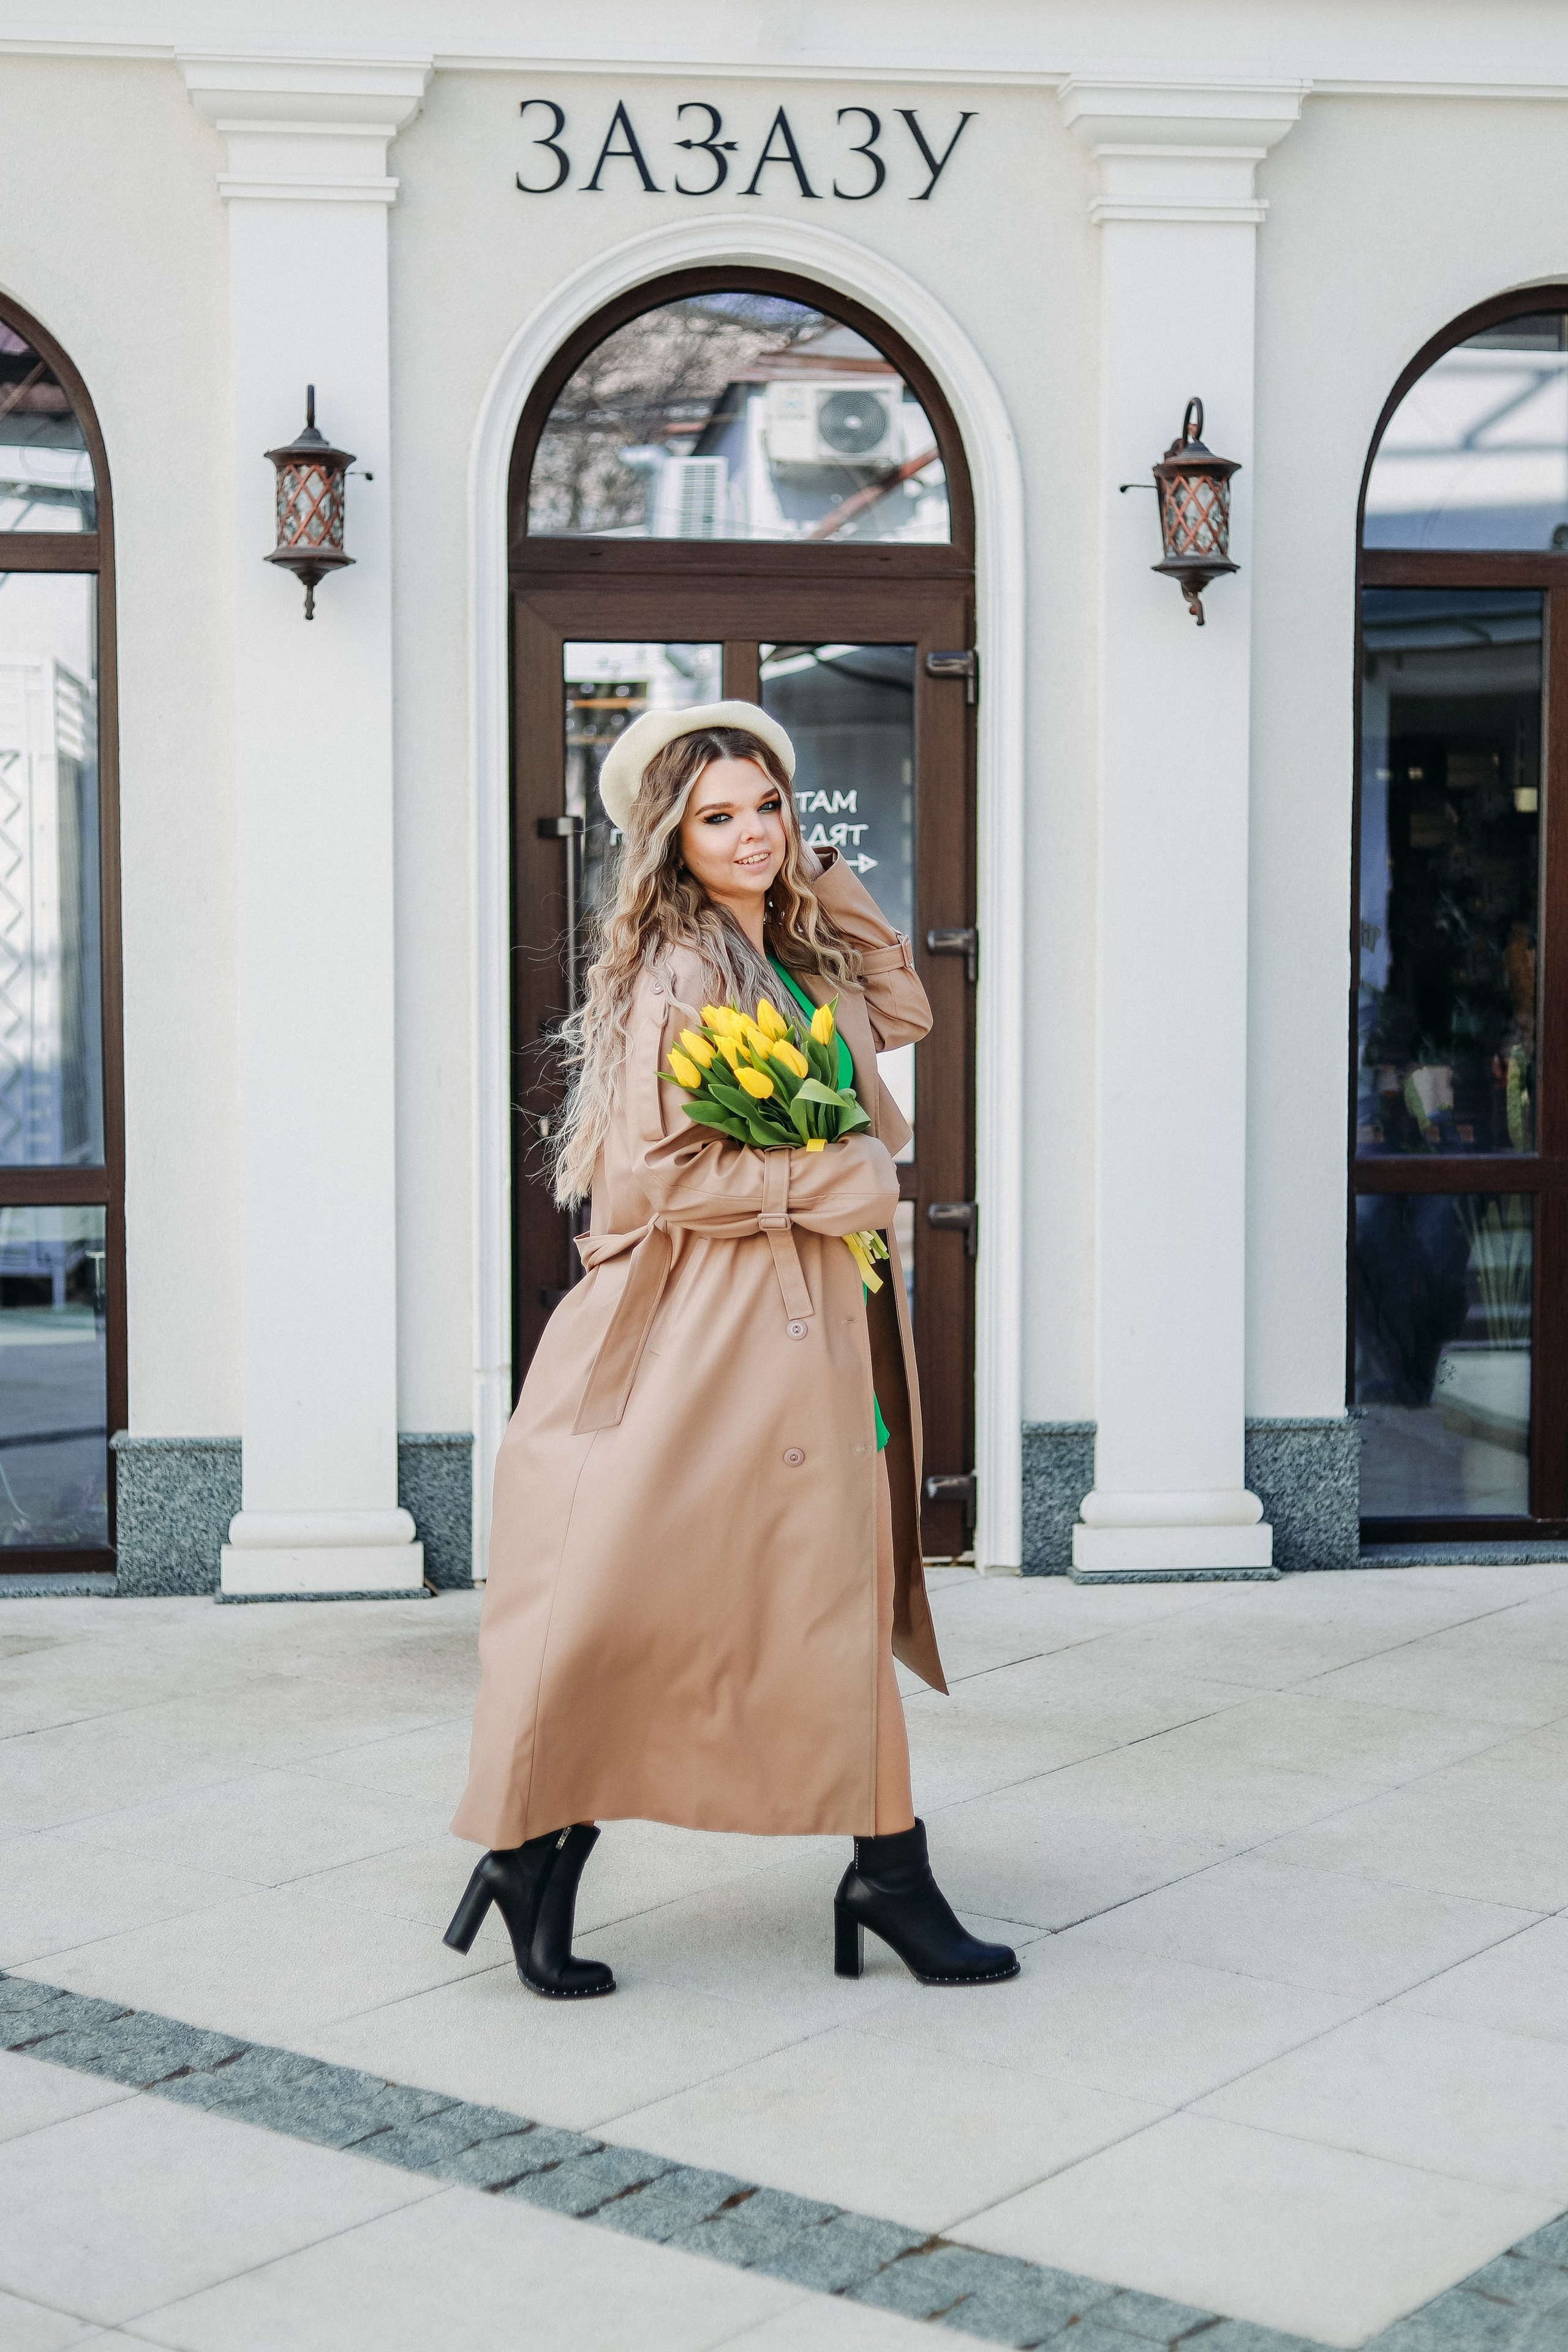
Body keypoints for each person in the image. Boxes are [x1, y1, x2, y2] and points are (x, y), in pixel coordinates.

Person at [446, 700, 1017, 1999]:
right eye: (719, 818)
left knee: (831, 1582)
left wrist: (814, 874)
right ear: (671, 840)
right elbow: (661, 1178)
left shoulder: (795, 944)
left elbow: (906, 1007)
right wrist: (832, 1186)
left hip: (801, 1313)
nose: (752, 834)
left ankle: (882, 1864)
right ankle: (540, 1840)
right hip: (717, 1327)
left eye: (769, 807)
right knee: (655, 1597)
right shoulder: (682, 972)